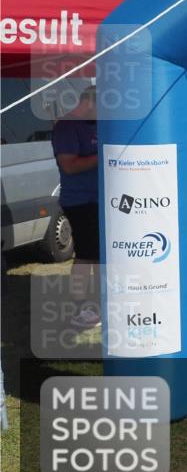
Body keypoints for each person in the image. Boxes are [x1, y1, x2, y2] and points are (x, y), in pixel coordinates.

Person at [51, 86, 101, 329]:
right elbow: (69, 166)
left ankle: (102, 306)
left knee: (101, 257)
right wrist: (103, 155)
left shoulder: (94, 124)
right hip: (81, 201)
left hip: (102, 200)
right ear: (90, 102)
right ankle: (81, 310)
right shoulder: (67, 127)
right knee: (86, 256)